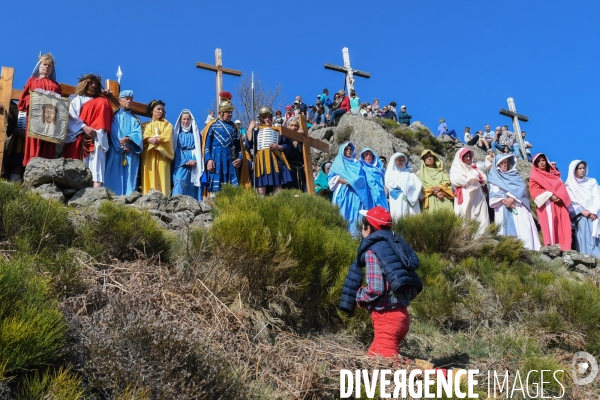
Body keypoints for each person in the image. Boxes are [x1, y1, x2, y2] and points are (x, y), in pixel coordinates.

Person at [339, 206, 422, 359]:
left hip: (387, 321)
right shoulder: (396, 246)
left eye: (362, 227)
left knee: (390, 369)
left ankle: (449, 376)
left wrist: (359, 296)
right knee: (373, 361)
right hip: (401, 316)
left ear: (368, 229)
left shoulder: (372, 251)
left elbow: (375, 289)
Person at [64, 74, 113, 187]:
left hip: (98, 136)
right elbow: (71, 117)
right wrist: (84, 127)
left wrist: (99, 132)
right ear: (84, 84)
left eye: (96, 83)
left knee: (97, 162)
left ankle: (96, 189)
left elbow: (106, 118)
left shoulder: (102, 101)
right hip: (80, 135)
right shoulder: (77, 99)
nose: (94, 85)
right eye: (91, 83)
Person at [488, 154, 541, 250]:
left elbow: (521, 189)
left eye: (505, 162)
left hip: (518, 207)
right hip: (502, 207)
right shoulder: (493, 178)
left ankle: (529, 250)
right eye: (501, 163)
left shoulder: (515, 175)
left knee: (524, 231)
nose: (504, 164)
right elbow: (493, 194)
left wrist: (512, 198)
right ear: (497, 164)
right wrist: (504, 200)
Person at [18, 53, 62, 166]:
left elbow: (60, 104)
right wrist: (31, 101)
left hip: (49, 118)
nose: (46, 67)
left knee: (48, 142)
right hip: (35, 117)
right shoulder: (32, 81)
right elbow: (24, 98)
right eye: (44, 64)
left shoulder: (56, 86)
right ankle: (31, 166)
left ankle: (45, 168)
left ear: (52, 69)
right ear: (39, 66)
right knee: (34, 142)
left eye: (49, 66)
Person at [201, 92, 243, 195]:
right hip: (216, 159)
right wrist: (209, 160)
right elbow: (207, 146)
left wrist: (240, 159)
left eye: (231, 112)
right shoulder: (213, 125)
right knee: (215, 192)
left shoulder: (234, 127)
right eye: (227, 112)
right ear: (221, 112)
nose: (230, 114)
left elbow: (239, 148)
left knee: (231, 192)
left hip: (230, 160)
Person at [529, 153, 572, 250]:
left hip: (560, 204)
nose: (541, 163)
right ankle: (552, 248)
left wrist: (561, 197)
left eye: (543, 160)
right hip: (546, 205)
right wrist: (550, 195)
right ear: (535, 163)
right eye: (539, 161)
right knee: (550, 225)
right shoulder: (534, 176)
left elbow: (562, 188)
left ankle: (565, 248)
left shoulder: (555, 175)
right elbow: (534, 191)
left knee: (562, 225)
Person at [104, 90, 143, 196]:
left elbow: (138, 133)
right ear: (120, 100)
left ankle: (129, 196)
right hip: (115, 149)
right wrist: (119, 145)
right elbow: (113, 130)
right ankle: (111, 194)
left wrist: (130, 141)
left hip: (130, 151)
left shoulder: (135, 119)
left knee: (129, 175)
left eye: (131, 99)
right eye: (126, 98)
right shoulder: (114, 115)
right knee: (113, 173)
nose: (129, 101)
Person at [246, 106, 292, 195]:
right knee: (260, 186)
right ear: (261, 118)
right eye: (265, 117)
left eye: (269, 117)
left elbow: (287, 145)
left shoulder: (279, 130)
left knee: (278, 184)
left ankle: (278, 206)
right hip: (261, 161)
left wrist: (278, 147)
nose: (267, 119)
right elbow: (249, 144)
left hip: (275, 160)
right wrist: (250, 128)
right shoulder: (256, 131)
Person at [328, 142, 372, 236]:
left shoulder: (356, 163)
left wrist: (355, 182)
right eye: (346, 149)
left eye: (350, 149)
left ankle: (355, 236)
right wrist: (347, 181)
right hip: (343, 193)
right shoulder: (338, 162)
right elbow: (331, 178)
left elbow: (362, 177)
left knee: (356, 214)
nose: (349, 150)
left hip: (356, 193)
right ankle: (341, 235)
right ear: (342, 150)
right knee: (342, 213)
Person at [449, 148, 490, 237]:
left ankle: (481, 237)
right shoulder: (455, 170)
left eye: (469, 156)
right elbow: (457, 180)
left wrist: (476, 176)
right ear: (460, 158)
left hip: (478, 196)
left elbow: (484, 180)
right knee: (464, 215)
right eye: (465, 156)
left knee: (480, 216)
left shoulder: (475, 168)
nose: (468, 158)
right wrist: (473, 179)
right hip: (465, 195)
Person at [565, 160, 600, 257]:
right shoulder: (569, 186)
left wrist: (593, 212)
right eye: (580, 168)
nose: (582, 170)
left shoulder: (592, 182)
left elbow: (597, 198)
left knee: (596, 241)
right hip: (581, 217)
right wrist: (582, 211)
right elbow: (570, 202)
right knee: (584, 239)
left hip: (595, 216)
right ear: (573, 170)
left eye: (583, 168)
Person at [140, 100, 173, 195]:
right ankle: (147, 197)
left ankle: (164, 198)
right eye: (158, 109)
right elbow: (142, 136)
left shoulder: (166, 124)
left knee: (162, 175)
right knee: (148, 175)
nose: (160, 111)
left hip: (162, 154)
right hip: (149, 155)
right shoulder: (144, 125)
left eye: (162, 110)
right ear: (151, 110)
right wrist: (148, 139)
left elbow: (168, 136)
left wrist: (159, 139)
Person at [171, 109, 203, 200]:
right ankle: (175, 203)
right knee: (179, 179)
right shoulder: (177, 134)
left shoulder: (195, 134)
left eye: (188, 119)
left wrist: (195, 160)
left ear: (191, 120)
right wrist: (185, 161)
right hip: (181, 161)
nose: (186, 121)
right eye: (184, 119)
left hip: (194, 160)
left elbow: (198, 148)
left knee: (193, 184)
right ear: (180, 120)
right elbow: (176, 148)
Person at [385, 153, 422, 219]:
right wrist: (402, 188)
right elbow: (389, 184)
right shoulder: (390, 173)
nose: (401, 162)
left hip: (412, 199)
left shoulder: (410, 174)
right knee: (400, 217)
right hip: (399, 199)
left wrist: (409, 189)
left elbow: (418, 184)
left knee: (412, 218)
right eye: (399, 160)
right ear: (394, 161)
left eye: (403, 160)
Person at [281, 117, 306, 191]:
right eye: (291, 125)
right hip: (289, 168)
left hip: (300, 168)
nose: (293, 128)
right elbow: (288, 150)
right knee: (291, 190)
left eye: (296, 126)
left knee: (302, 189)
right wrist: (295, 138)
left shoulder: (302, 138)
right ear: (287, 126)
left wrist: (303, 137)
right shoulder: (284, 137)